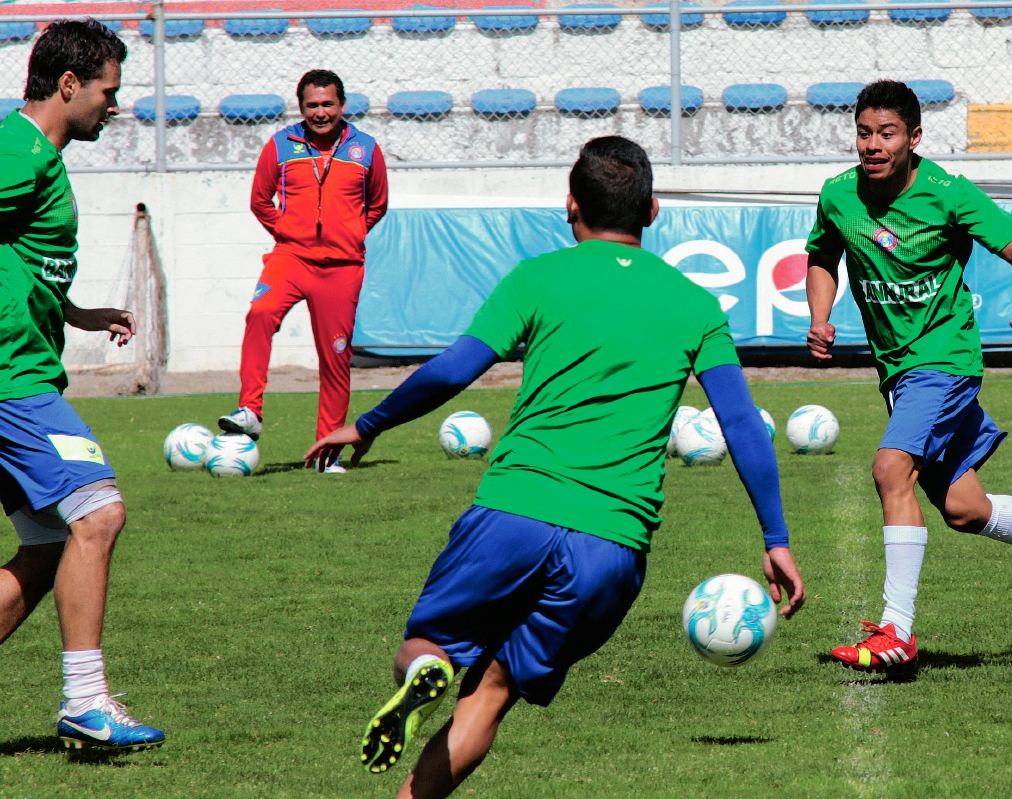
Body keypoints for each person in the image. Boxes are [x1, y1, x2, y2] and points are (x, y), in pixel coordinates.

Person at [305, 136, 807, 798]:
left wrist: (367, 424)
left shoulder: (537, 277)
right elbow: (741, 424)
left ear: (570, 205)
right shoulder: (693, 302)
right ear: (652, 210)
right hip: (611, 545)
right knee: (491, 693)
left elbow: (455, 368)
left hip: (514, 511)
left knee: (429, 643)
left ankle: (422, 671)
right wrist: (774, 538)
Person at [805, 80, 1012, 673]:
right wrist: (820, 317)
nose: (873, 145)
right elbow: (823, 256)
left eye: (887, 133)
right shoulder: (837, 196)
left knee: (888, 468)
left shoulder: (947, 194)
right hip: (898, 374)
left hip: (945, 363)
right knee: (964, 509)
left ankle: (896, 634)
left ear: (914, 138)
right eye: (864, 132)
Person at [0, 19, 165, 750]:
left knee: (44, 549)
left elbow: (21, 262)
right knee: (97, 514)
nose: (114, 105)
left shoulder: (38, 157)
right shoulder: (18, 149)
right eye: (109, 90)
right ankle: (86, 701)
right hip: (11, 379)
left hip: (23, 369)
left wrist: (75, 312)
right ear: (69, 85)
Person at [219, 69, 388, 470]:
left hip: (343, 268)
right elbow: (261, 200)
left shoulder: (366, 149)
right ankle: (250, 411)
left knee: (335, 358)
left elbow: (377, 204)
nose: (321, 112)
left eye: (328, 104)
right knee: (260, 312)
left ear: (342, 105)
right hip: (291, 259)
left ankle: (326, 454)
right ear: (301, 108)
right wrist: (291, 233)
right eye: (312, 105)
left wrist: (348, 235)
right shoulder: (280, 146)